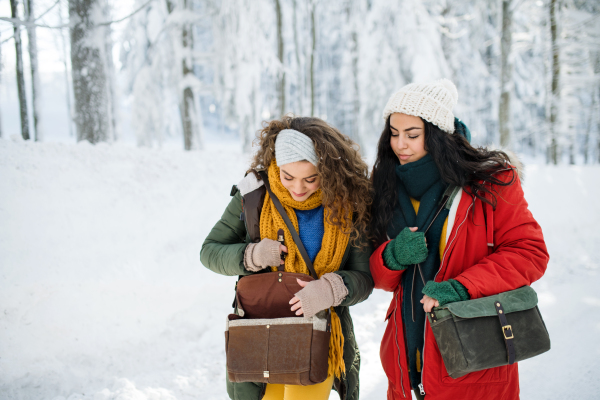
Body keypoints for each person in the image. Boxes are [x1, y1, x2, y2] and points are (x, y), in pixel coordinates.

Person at [368, 79, 549, 400]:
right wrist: (391, 256)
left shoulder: (490, 182)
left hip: (475, 354)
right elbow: (381, 279)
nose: (400, 145)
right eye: (393, 133)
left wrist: (462, 286)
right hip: (405, 359)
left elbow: (530, 253)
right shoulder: (386, 189)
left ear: (437, 135)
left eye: (412, 134)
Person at [201, 116, 374, 400]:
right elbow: (209, 251)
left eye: (311, 178)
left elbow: (363, 278)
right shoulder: (253, 197)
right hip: (261, 335)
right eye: (287, 176)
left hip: (319, 335)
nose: (298, 188)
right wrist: (251, 254)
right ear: (276, 166)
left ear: (328, 172)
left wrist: (332, 289)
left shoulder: (349, 204)